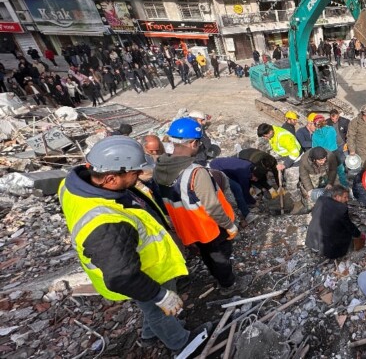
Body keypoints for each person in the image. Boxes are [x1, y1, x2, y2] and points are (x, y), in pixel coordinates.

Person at [58, 136, 211, 354]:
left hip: (138, 263)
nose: (139, 177)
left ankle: (150, 336)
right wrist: (160, 295)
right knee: (158, 310)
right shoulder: (106, 224)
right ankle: (183, 344)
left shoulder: (73, 184)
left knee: (151, 311)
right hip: (144, 274)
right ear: (111, 178)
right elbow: (123, 277)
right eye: (134, 173)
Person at [154, 118, 248, 295]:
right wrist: (229, 225)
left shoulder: (160, 167)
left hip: (187, 226)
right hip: (208, 226)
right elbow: (212, 207)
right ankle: (229, 286)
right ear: (193, 143)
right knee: (220, 256)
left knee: (208, 255)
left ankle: (219, 278)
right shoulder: (196, 172)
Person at [306, 186, 363, 259]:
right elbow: (348, 225)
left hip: (312, 238)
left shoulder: (321, 199)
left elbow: (313, 213)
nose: (347, 199)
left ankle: (316, 248)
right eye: (345, 197)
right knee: (345, 232)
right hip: (328, 245)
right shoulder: (342, 208)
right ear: (337, 197)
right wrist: (358, 234)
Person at [295, 147, 339, 212]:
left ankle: (337, 204)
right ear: (314, 160)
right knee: (310, 194)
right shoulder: (304, 160)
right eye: (320, 160)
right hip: (312, 173)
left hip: (326, 170)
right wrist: (310, 190)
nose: (323, 161)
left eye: (324, 159)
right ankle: (311, 209)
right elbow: (304, 175)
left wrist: (330, 183)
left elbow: (333, 170)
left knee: (337, 185)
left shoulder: (330, 156)